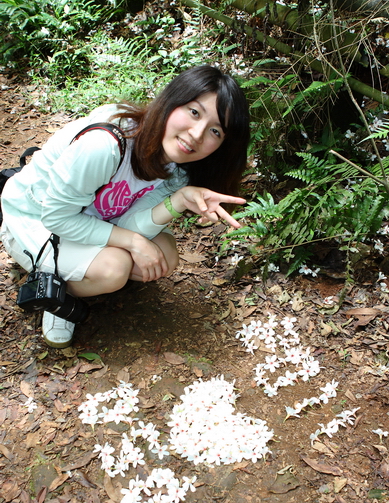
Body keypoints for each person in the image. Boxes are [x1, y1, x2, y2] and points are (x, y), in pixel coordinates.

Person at [0, 65, 250, 348]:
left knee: (164, 255)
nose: (196, 134)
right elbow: (58, 218)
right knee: (114, 268)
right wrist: (132, 242)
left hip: (85, 222)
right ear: (172, 99)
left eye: (215, 130)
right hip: (33, 221)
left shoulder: (177, 170)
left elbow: (129, 223)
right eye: (194, 112)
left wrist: (178, 200)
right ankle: (56, 297)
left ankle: (77, 274)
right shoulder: (106, 144)